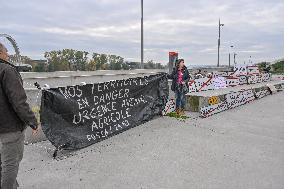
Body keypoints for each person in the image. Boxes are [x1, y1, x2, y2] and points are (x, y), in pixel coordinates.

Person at [0, 42, 38, 189]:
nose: (8, 55)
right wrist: (33, 121)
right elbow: (19, 102)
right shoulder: (7, 70)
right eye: (6, 52)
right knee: (10, 164)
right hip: (9, 129)